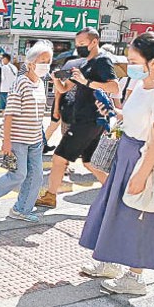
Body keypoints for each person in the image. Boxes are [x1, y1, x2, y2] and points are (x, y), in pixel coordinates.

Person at [78, 32, 154, 295]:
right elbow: (132, 118)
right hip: (126, 152)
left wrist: (141, 175)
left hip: (142, 158)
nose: (128, 65)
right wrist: (112, 111)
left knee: (141, 215)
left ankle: (135, 277)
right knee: (115, 210)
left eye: (133, 60)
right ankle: (110, 262)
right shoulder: (142, 85)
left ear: (152, 62)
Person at [36, 27, 119, 208]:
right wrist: (56, 79)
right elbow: (65, 88)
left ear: (94, 42)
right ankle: (116, 195)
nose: (79, 47)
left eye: (82, 44)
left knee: (59, 157)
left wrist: (86, 82)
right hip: (86, 120)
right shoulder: (83, 63)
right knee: (90, 162)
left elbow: (114, 87)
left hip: (88, 120)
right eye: (77, 45)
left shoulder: (102, 61)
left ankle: (50, 196)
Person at [0, 41, 53, 223]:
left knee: (36, 176)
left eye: (48, 61)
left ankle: (21, 209)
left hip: (35, 139)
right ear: (31, 62)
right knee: (19, 174)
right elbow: (9, 114)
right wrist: (6, 141)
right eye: (43, 60)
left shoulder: (40, 84)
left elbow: (38, 114)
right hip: (18, 138)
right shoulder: (21, 83)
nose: (46, 65)